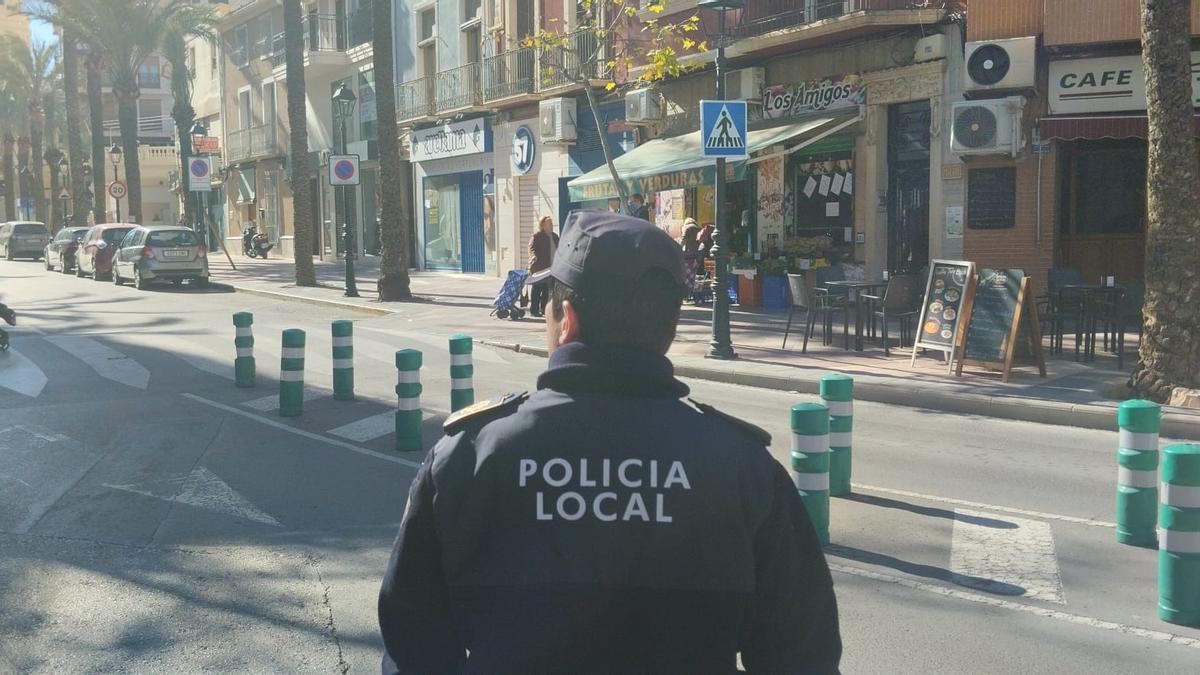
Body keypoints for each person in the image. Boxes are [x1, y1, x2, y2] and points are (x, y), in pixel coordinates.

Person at [378, 210, 842, 674]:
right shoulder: (743, 469)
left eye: (548, 305)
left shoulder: (469, 456)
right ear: (668, 326)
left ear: (568, 319)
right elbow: (803, 659)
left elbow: (414, 648)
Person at [526, 215, 559, 317]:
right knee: (537, 289)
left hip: (551, 267)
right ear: (543, 225)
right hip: (539, 267)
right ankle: (534, 310)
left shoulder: (554, 236)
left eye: (551, 224)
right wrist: (533, 256)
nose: (551, 226)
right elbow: (531, 248)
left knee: (546, 289)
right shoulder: (537, 236)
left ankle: (544, 309)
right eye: (549, 224)